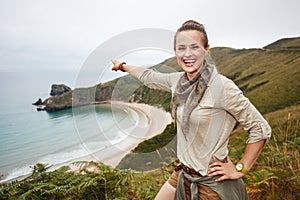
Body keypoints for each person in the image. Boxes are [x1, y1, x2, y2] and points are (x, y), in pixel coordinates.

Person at [111, 20, 271, 200]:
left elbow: (260, 128)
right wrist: (123, 66)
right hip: (183, 173)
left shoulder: (222, 87)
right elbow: (148, 77)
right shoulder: (177, 81)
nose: (187, 54)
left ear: (206, 49)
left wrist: (240, 168)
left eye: (194, 47)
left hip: (211, 181)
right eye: (181, 48)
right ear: (176, 52)